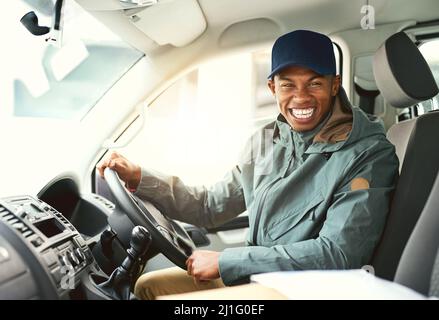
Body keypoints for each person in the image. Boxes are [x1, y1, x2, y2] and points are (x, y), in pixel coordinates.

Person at [97, 29, 399, 300]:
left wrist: (228, 261)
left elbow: (339, 253)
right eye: (287, 85)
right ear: (272, 88)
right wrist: (140, 177)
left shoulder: (367, 154)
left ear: (334, 86)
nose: (301, 97)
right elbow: (209, 206)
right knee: (149, 287)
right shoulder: (267, 140)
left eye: (314, 83)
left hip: (307, 290)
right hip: (258, 278)